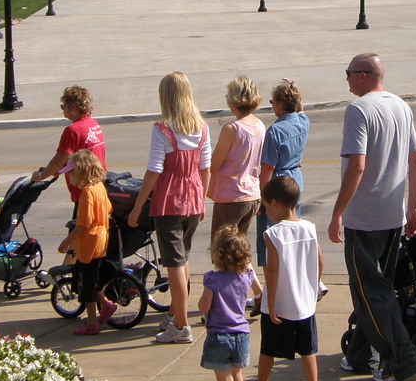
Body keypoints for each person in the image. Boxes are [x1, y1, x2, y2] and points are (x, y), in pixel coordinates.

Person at [328, 52, 416, 381]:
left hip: (364, 219)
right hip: (392, 217)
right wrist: (413, 207)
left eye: (349, 73)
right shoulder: (401, 106)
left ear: (364, 76)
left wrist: (337, 212)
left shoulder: (358, 110)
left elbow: (357, 166)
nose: (347, 78)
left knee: (372, 294)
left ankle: (402, 358)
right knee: (373, 291)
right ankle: (357, 356)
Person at [129, 71, 211, 345]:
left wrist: (137, 207)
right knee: (184, 258)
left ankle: (181, 325)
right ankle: (177, 312)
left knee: (173, 262)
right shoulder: (202, 126)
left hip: (169, 201)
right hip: (193, 198)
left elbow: (153, 171)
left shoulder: (162, 128)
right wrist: (203, 199)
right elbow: (205, 168)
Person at [244, 175, 325, 381]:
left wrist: (269, 301)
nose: (265, 210)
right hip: (304, 304)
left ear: (276, 203)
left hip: (279, 304)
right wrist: (314, 285)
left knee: (269, 347)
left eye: (266, 205)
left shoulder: (273, 234)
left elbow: (271, 271)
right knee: (308, 348)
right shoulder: (309, 228)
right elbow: (319, 260)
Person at [32, 86, 107, 279]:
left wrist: (41, 176)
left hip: (83, 189)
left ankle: (65, 274)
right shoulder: (93, 125)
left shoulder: (72, 130)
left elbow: (59, 159)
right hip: (99, 185)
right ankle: (68, 270)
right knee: (86, 229)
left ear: (73, 107)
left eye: (63, 106)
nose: (62, 110)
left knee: (79, 229)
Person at [199, 225, 261, 381]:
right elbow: (259, 291)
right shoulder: (245, 277)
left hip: (219, 335)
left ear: (217, 255)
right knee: (237, 375)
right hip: (241, 333)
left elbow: (204, 306)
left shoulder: (213, 280)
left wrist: (203, 307)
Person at [58, 150, 116, 336]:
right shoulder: (99, 187)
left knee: (86, 286)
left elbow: (83, 224)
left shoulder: (87, 193)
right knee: (93, 278)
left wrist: (68, 240)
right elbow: (109, 208)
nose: (69, 175)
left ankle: (92, 323)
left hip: (88, 245)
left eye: (71, 171)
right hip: (101, 240)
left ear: (81, 171)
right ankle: (106, 304)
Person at [255, 79, 309, 268]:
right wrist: (295, 92)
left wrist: (262, 198)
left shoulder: (275, 131)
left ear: (279, 105)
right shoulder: (303, 122)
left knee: (273, 233)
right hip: (296, 179)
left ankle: (276, 271)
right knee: (293, 225)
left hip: (278, 183)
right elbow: (301, 110)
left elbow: (267, 169)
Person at [208, 76, 264, 244]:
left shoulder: (232, 129)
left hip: (231, 196)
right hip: (251, 193)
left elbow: (214, 165)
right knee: (239, 248)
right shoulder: (259, 125)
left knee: (222, 249)